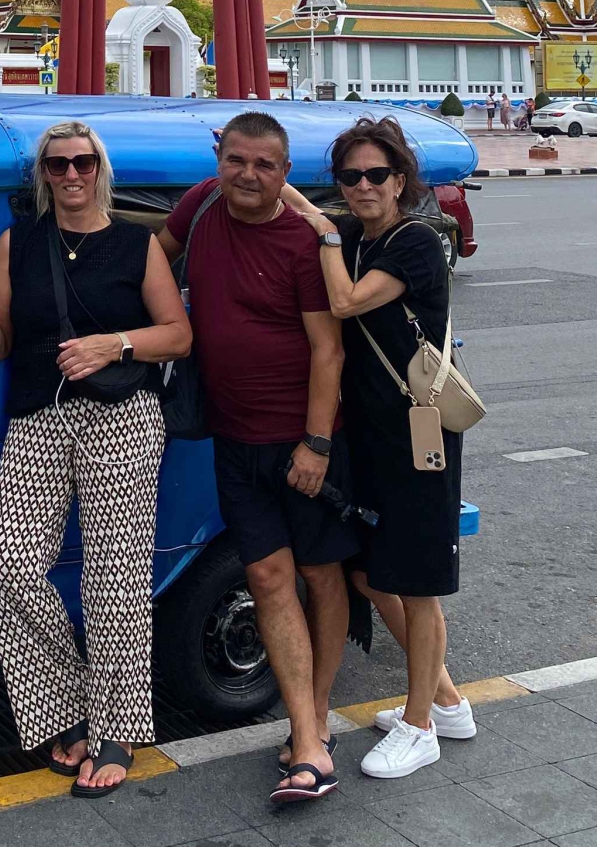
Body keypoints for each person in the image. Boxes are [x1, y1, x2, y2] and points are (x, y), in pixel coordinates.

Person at [0, 121, 191, 799]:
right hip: (40, 417)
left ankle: (115, 727)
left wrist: (115, 344)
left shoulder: (136, 244)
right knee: (9, 561)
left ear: (99, 168)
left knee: (114, 578)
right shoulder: (16, 244)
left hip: (122, 417)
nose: (71, 173)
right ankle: (69, 696)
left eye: (83, 161)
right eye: (58, 164)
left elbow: (178, 334)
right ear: (44, 175)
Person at [157, 112, 353, 804]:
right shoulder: (200, 208)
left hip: (304, 441)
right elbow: (151, 254)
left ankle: (315, 723)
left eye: (264, 165)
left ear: (285, 173)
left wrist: (317, 442)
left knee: (322, 574)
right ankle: (307, 733)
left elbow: (328, 348)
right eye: (236, 160)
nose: (247, 174)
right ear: (220, 161)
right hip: (234, 440)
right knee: (269, 577)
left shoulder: (305, 241)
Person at [292, 117, 475, 780]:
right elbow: (312, 217)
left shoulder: (415, 243)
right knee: (370, 570)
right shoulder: (353, 236)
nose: (364, 186)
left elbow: (342, 303)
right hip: (368, 436)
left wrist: (320, 230)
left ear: (400, 180)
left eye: (377, 174)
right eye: (350, 177)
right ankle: (448, 701)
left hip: (420, 432)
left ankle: (421, 724)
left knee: (419, 584)